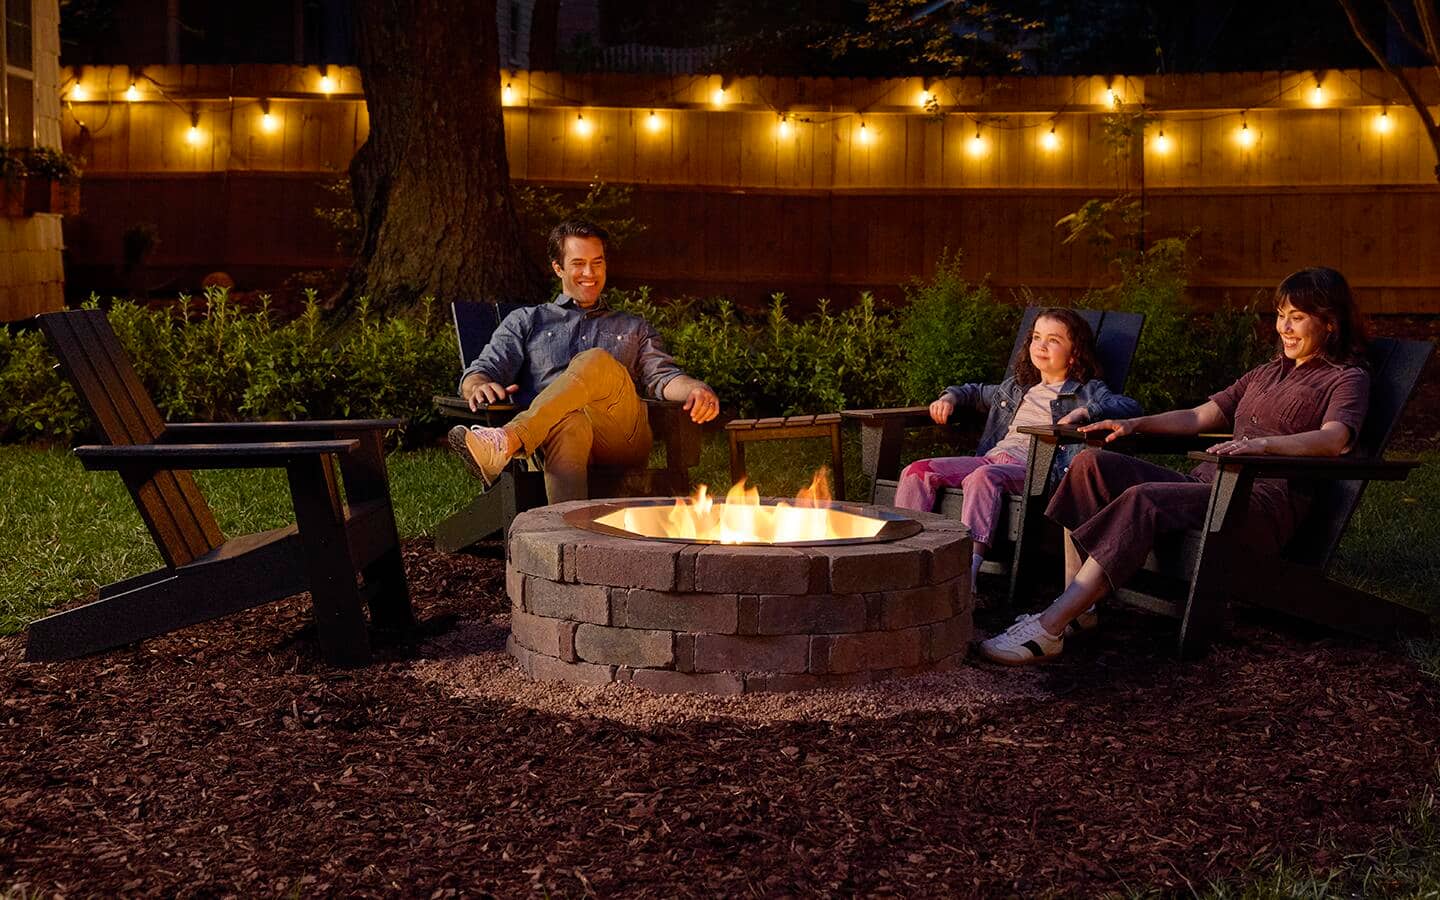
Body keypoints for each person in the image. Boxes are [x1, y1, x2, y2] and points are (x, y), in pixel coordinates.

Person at [980, 266, 1371, 665]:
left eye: (1297, 317)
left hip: (1256, 504)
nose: (1284, 328)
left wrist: (1266, 445)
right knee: (1089, 464)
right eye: (1280, 315)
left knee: (1143, 499)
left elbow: (1335, 438)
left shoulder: (1346, 379)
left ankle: (1051, 624)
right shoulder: (1266, 373)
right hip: (1207, 487)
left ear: (1330, 322)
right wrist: (1131, 423)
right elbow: (1198, 417)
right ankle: (1081, 611)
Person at [449, 220, 719, 502]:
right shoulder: (527, 321)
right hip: (551, 441)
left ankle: (507, 440)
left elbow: (663, 377)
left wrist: (695, 389)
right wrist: (477, 385)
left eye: (597, 263)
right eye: (578, 263)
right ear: (558, 267)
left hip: (619, 439)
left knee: (596, 362)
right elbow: (481, 371)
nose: (589, 273)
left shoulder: (632, 327)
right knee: (571, 422)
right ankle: (567, 539)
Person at [894, 308, 1141, 596]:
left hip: (1036, 471)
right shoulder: (1017, 387)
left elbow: (1130, 407)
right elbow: (972, 391)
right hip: (991, 459)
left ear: (1074, 354)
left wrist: (1086, 411)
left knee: (983, 477)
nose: (1041, 345)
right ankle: (906, 559)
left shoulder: (1087, 391)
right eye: (1037, 337)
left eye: (1053, 340)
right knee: (916, 471)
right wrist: (949, 398)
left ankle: (966, 573)